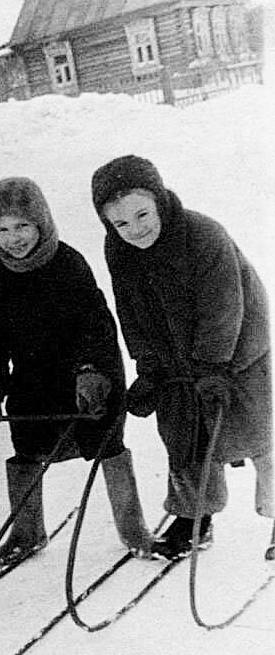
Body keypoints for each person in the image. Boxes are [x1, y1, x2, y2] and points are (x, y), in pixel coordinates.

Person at [91, 154, 273, 560]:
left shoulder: (203, 235)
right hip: (177, 359)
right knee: (182, 435)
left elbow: (225, 307)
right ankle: (194, 518)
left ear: (159, 200)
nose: (135, 230)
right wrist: (150, 367)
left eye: (142, 214)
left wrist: (212, 367)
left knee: (258, 433)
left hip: (239, 349)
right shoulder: (119, 250)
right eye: (120, 223)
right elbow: (130, 310)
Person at [0, 176, 154, 567]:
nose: (14, 238)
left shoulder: (67, 263)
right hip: (33, 377)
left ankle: (133, 527)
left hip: (88, 374)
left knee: (106, 442)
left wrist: (92, 372)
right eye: (2, 230)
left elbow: (95, 324)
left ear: (41, 222)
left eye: (22, 226)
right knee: (27, 448)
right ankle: (26, 531)